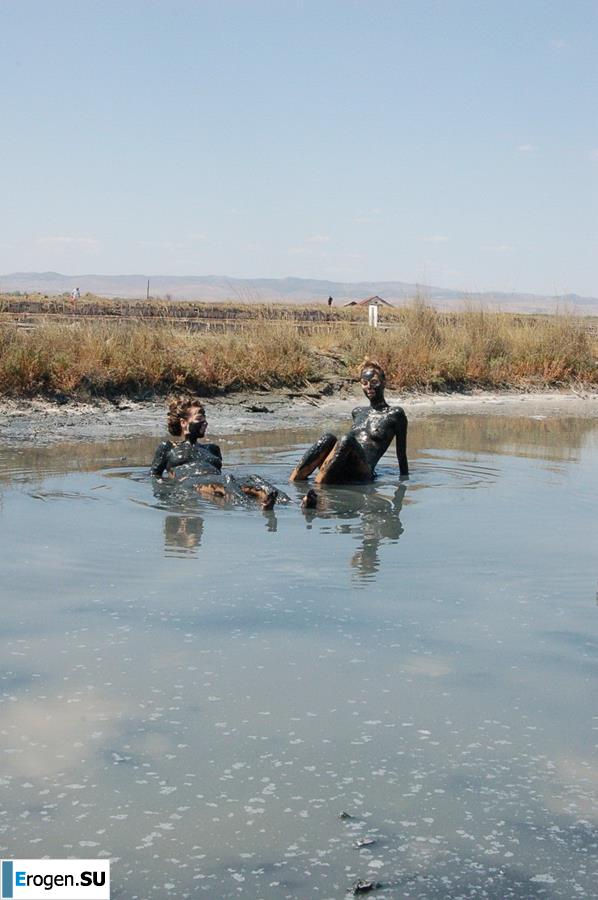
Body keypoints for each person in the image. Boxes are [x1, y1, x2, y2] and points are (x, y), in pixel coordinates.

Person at [151, 395, 285, 509]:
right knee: (227, 481)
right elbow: (154, 476)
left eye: (205, 418)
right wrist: (168, 491)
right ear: (183, 422)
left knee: (256, 480)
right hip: (191, 482)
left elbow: (219, 474)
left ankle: (290, 504)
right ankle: (250, 508)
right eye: (199, 419)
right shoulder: (168, 447)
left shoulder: (212, 449)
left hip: (221, 481)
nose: (205, 422)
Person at [290, 359, 408, 484]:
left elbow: (401, 455)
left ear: (383, 383)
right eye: (364, 383)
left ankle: (318, 488)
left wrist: (404, 483)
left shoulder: (395, 414)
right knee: (327, 438)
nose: (369, 387)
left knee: (346, 439)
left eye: (374, 382)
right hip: (343, 464)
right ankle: (293, 481)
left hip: (363, 470)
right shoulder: (357, 412)